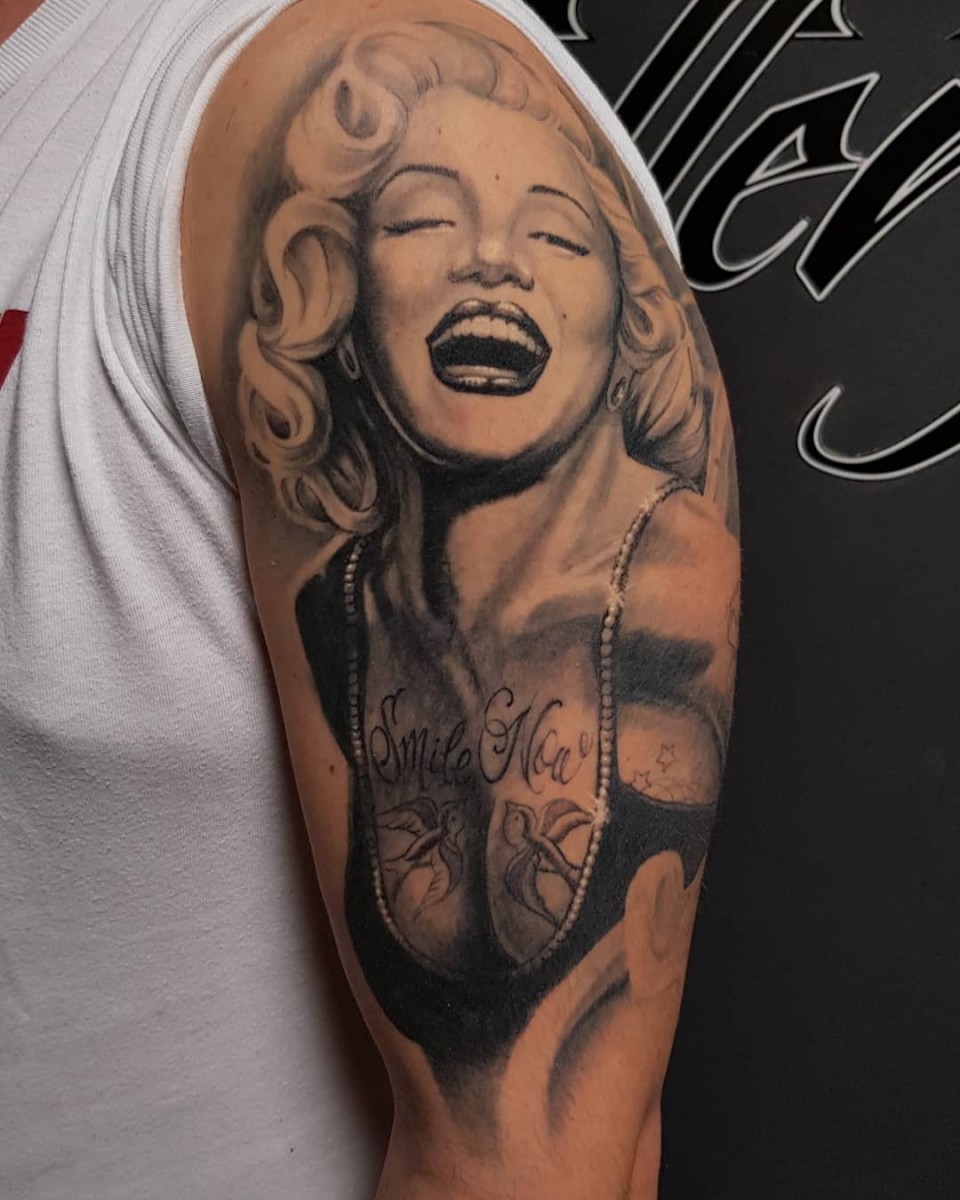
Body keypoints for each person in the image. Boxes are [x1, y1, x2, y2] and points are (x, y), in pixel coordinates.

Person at [1, 1, 738, 1197]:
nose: (492, 260)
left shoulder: (301, 60)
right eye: (425, 221)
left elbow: (526, 1173)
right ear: (335, 293)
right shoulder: (337, 606)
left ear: (626, 317)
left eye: (554, 238)